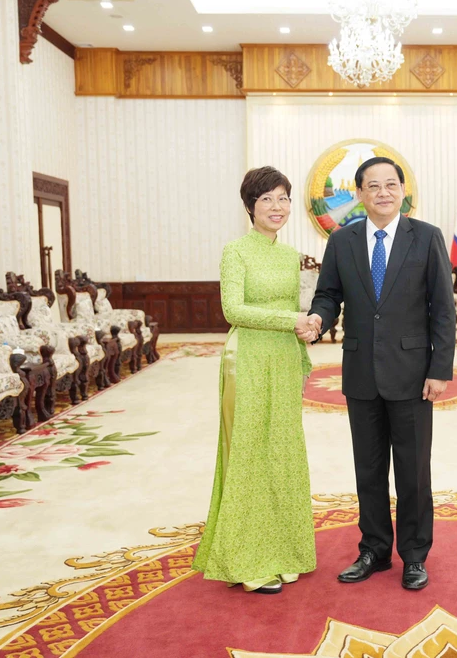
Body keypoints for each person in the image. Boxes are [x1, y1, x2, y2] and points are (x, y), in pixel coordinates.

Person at [306, 157, 455, 590]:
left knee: (412, 470)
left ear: (403, 189)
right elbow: (329, 295)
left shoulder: (426, 237)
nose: (383, 192)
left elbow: (442, 308)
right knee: (367, 469)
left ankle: (414, 554)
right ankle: (373, 548)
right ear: (359, 193)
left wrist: (439, 367)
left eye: (391, 184)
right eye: (373, 186)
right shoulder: (342, 240)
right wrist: (317, 319)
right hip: (360, 373)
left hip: (412, 373)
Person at [193, 166, 317, 594]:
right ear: (250, 206)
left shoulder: (290, 255)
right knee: (247, 451)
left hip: (283, 359)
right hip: (245, 359)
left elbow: (298, 310)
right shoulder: (236, 252)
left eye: (283, 198)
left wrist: (306, 330)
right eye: (267, 199)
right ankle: (247, 559)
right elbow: (234, 311)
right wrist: (292, 320)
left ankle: (284, 550)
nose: (277, 207)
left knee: (282, 450)